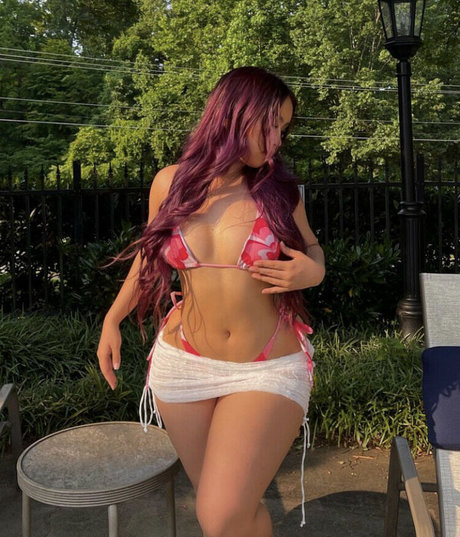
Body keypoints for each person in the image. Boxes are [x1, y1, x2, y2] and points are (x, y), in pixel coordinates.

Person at [97, 66, 325, 537]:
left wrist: (313, 270)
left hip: (266, 366)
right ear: (235, 113)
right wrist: (112, 318)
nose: (277, 140)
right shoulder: (170, 183)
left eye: (284, 129)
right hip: (184, 363)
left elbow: (313, 248)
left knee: (222, 514)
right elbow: (147, 256)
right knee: (221, 515)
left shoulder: (278, 192)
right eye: (271, 124)